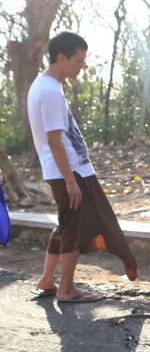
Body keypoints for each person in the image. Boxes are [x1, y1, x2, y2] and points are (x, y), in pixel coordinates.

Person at [27, 31, 138, 303]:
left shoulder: (44, 85)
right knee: (74, 229)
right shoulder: (50, 90)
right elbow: (54, 140)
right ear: (61, 58)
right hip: (68, 171)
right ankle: (66, 289)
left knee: (67, 225)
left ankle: (47, 279)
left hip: (68, 170)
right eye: (78, 60)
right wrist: (71, 181)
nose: (82, 66)